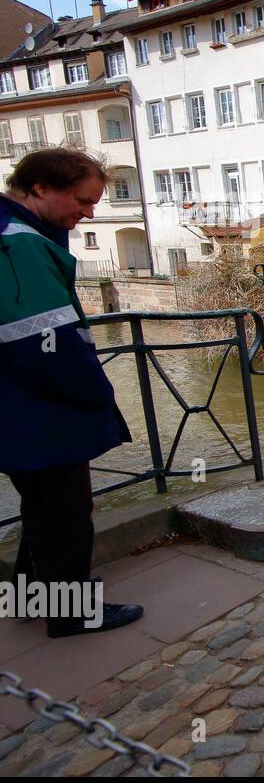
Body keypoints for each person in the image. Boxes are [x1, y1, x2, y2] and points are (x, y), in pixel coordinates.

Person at [1, 149, 142, 638]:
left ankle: (28, 594)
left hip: (19, 409)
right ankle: (71, 612)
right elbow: (47, 343)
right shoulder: (19, 244)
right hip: (38, 411)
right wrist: (97, 394)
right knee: (63, 512)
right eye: (82, 201)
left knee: (40, 504)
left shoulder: (17, 234)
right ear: (41, 187)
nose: (89, 212)